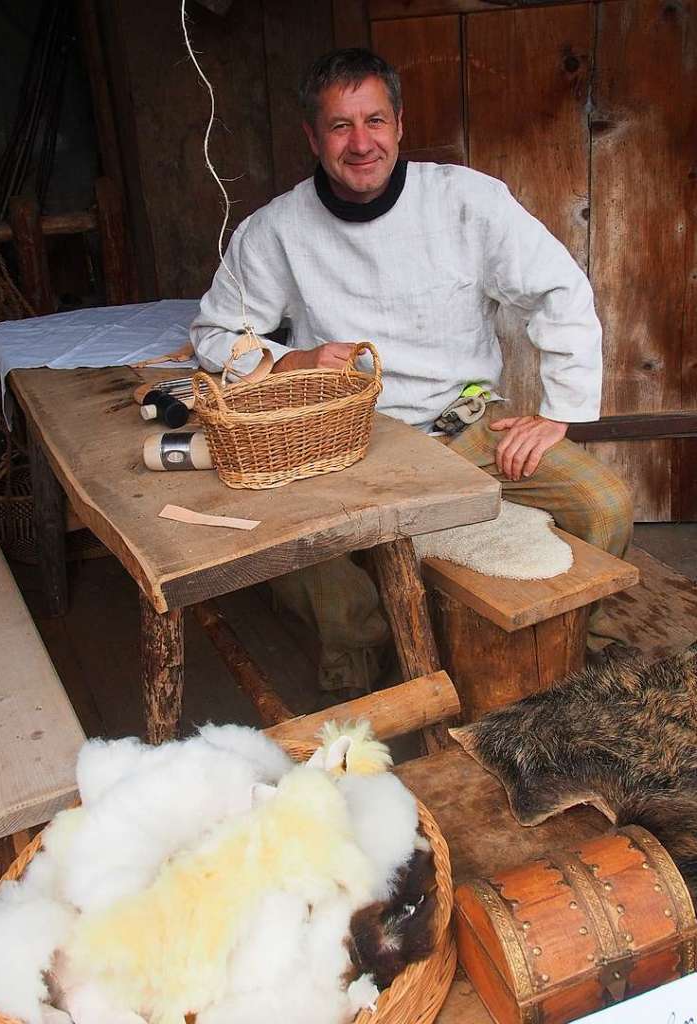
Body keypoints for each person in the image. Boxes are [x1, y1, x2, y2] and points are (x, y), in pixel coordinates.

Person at [190, 48, 634, 695]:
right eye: (340, 126)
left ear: (398, 124)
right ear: (313, 137)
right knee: (299, 543)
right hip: (352, 443)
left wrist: (558, 410)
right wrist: (289, 359)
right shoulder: (276, 230)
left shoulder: (466, 202)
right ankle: (363, 670)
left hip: (469, 428)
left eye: (374, 120)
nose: (361, 142)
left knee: (604, 505)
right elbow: (212, 333)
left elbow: (558, 289)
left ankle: (573, 649)